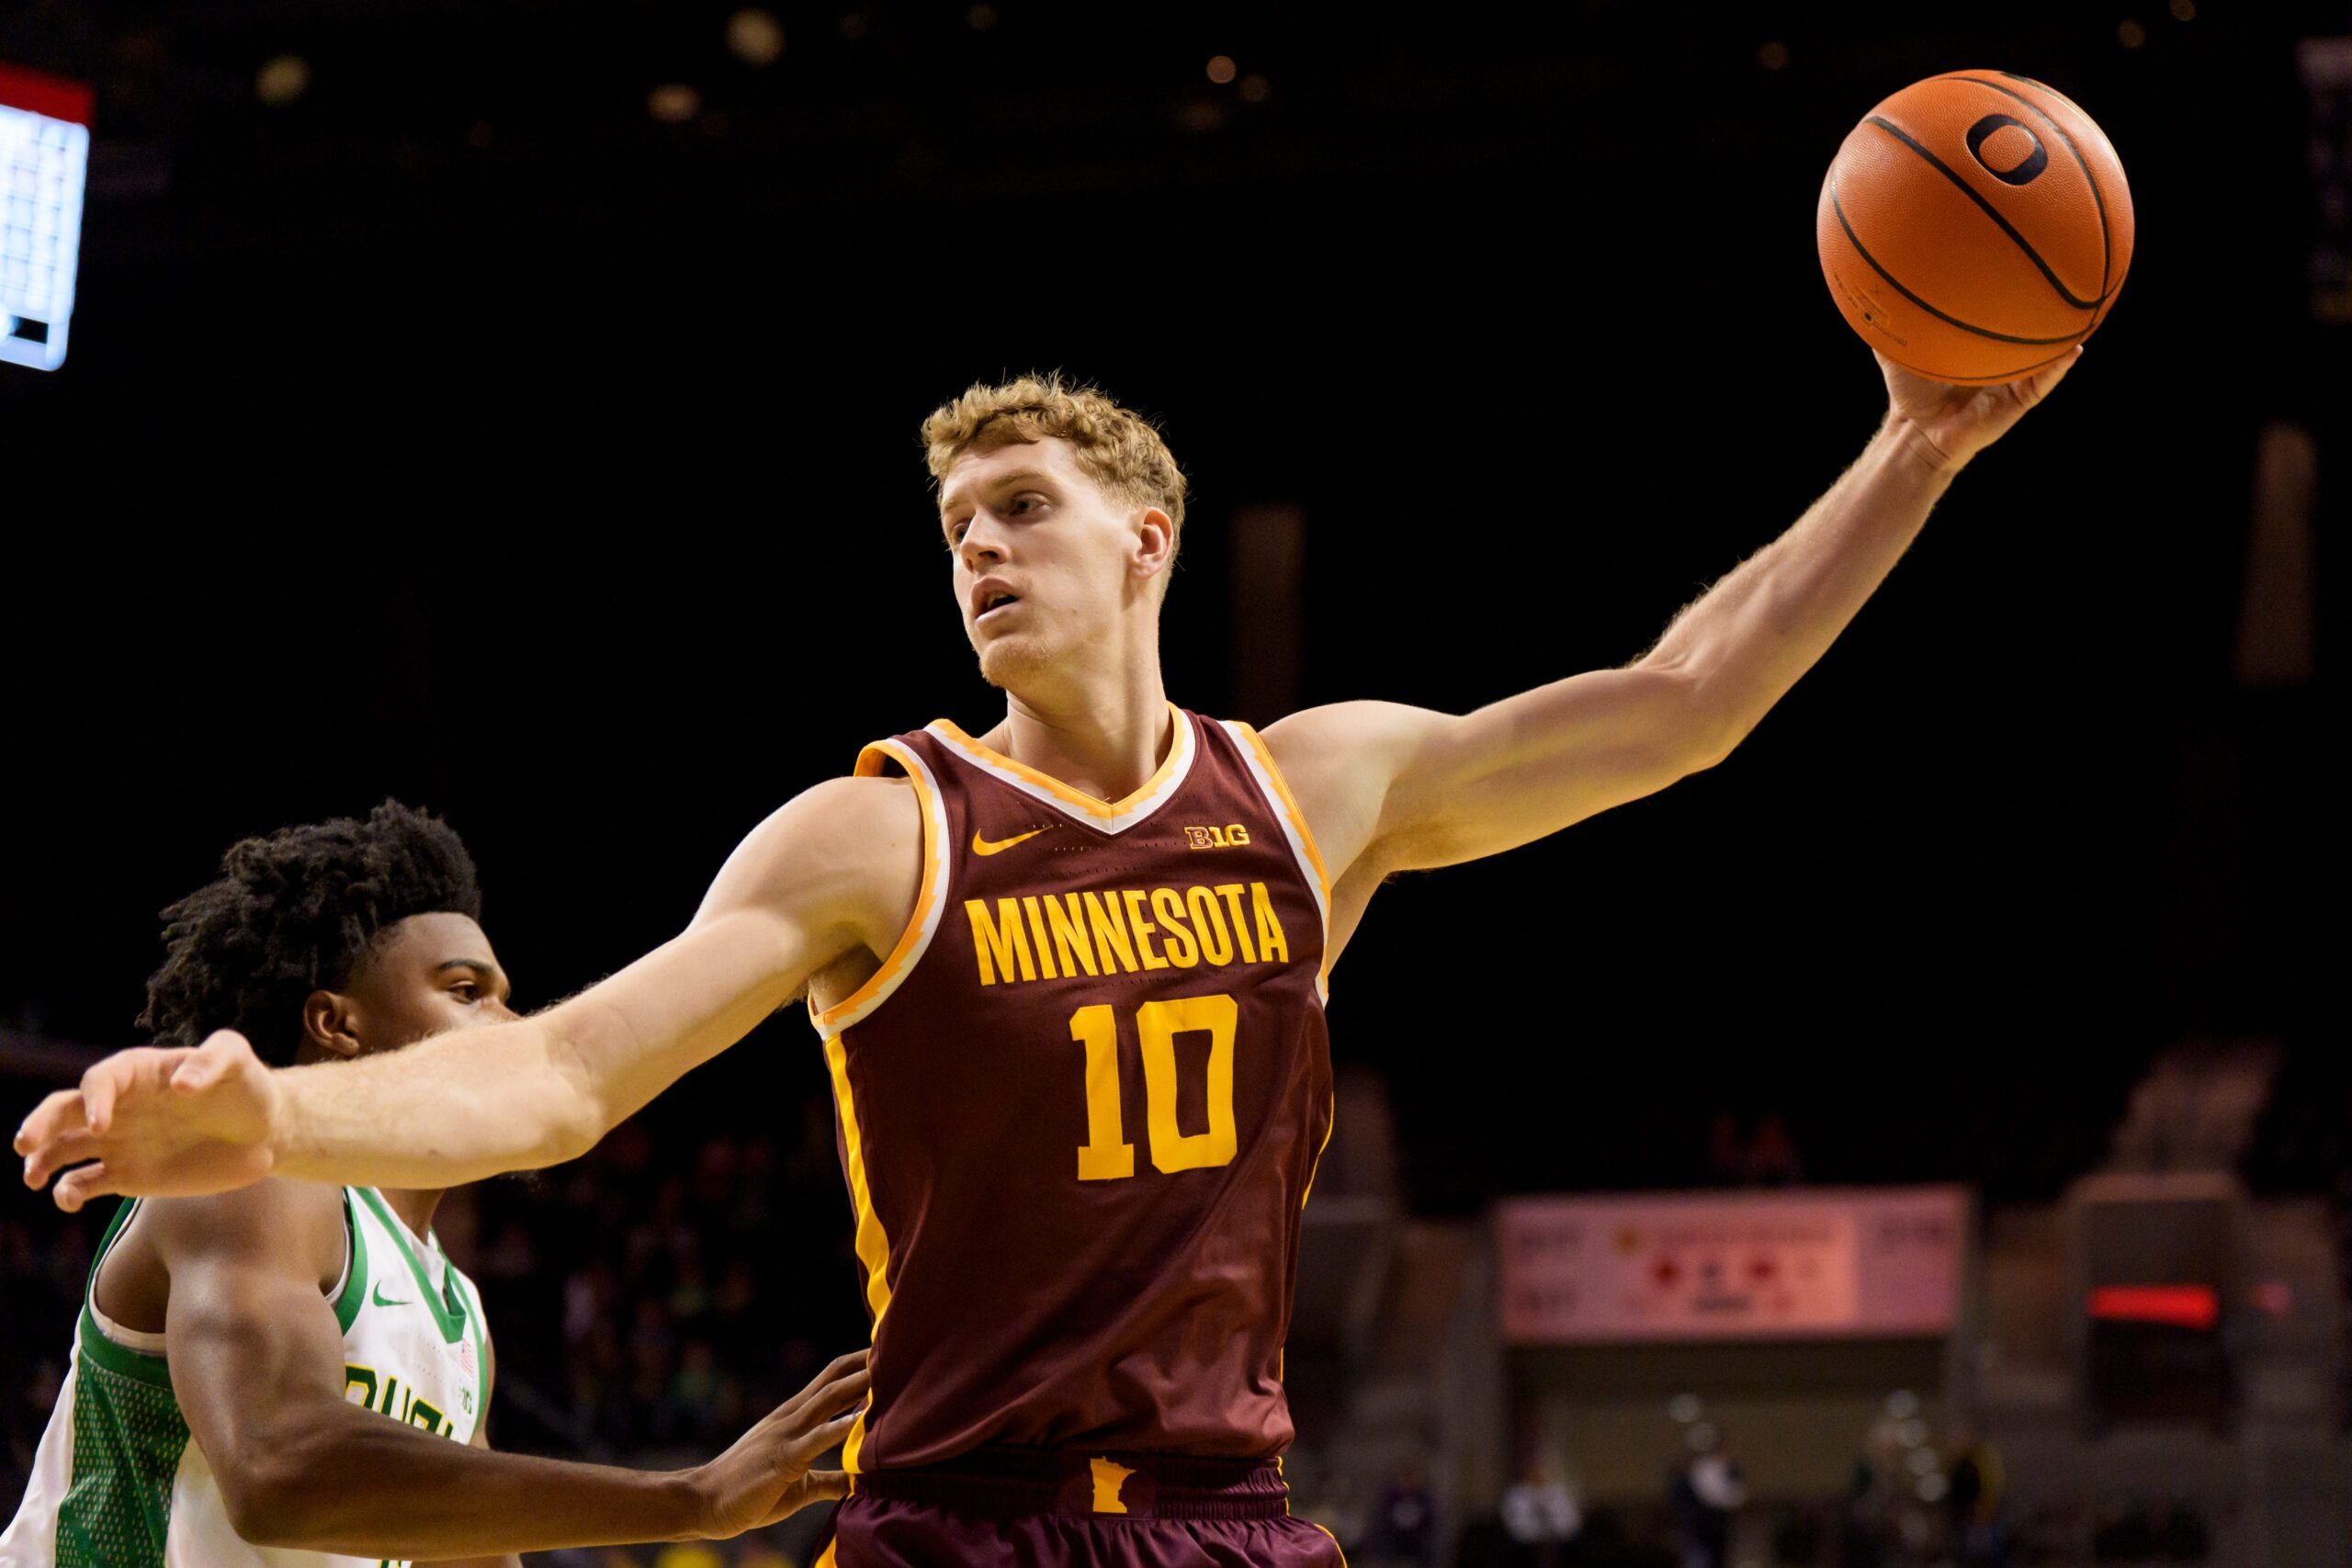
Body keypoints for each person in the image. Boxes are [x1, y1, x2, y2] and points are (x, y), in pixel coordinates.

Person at [18, 346, 2082, 1567]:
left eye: (1018, 506)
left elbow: (1681, 701)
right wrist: (264, 1107)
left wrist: (1916, 442)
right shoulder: (878, 828)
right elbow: (559, 1076)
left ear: (1144, 538)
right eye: (952, 531)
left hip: (1230, 1511)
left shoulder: (1315, 793)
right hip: (959, 1516)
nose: (979, 551)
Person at [0, 804, 865, 1566]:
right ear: (336, 1024)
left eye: (506, 998)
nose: (510, 1027)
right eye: (465, 992)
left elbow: (470, 1549)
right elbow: (277, 1469)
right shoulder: (261, 1180)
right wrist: (691, 1498)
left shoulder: (454, 1302)